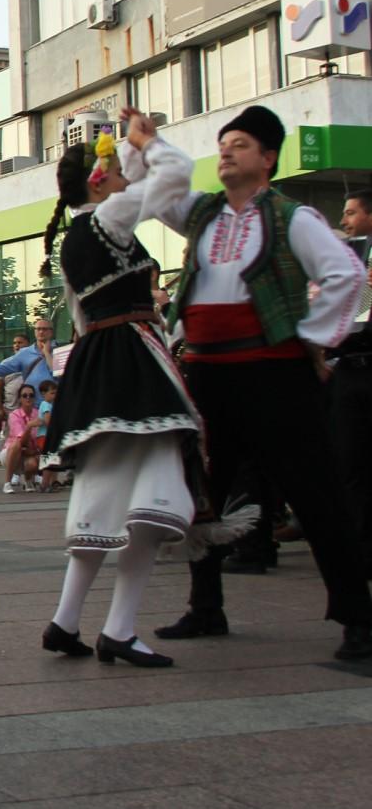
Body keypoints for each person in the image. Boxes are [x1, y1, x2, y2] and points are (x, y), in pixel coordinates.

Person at [143, 104, 372, 660]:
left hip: (275, 372)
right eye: (223, 144)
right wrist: (148, 142)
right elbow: (164, 189)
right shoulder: (202, 214)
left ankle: (359, 620)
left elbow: (346, 273)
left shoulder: (293, 217)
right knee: (204, 496)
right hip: (210, 373)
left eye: (240, 144)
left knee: (314, 493)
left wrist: (311, 338)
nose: (226, 152)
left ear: (268, 158)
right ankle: (206, 607)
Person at [36, 119, 203, 668]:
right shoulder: (111, 215)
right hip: (133, 363)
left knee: (102, 497)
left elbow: (83, 319)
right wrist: (147, 141)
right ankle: (120, 629)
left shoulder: (74, 238)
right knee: (152, 500)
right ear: (100, 178)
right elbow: (177, 175)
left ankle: (65, 622)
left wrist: (121, 153)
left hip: (96, 367)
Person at [332, 189, 372, 577]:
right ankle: (361, 551)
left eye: (351, 213)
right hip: (347, 365)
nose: (344, 221)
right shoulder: (347, 256)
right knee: (351, 464)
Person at [2, 385, 42, 493]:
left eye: (31, 395)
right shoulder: (14, 415)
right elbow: (22, 441)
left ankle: (28, 481)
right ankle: (7, 483)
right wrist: (29, 426)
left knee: (33, 463)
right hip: (12, 453)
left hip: (30, 452)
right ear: (20, 399)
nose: (28, 398)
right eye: (24, 395)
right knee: (16, 445)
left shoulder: (38, 414)